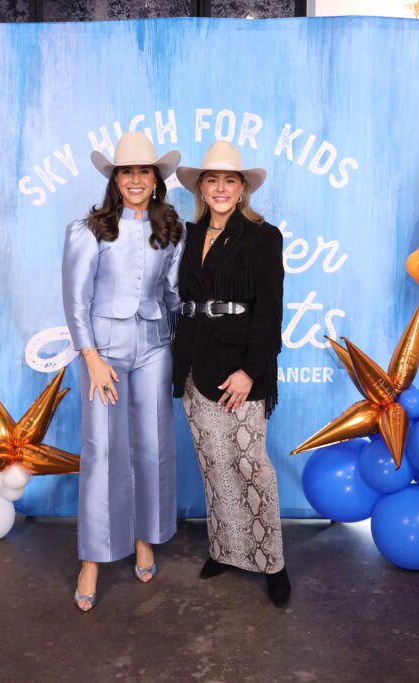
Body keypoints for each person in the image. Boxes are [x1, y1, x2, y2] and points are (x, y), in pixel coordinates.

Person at [61, 132, 185, 612]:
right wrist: (90, 358)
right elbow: (76, 300)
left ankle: (144, 537)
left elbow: (173, 295)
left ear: (156, 179)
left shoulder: (172, 229)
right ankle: (92, 558)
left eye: (144, 171)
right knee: (103, 450)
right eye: (126, 171)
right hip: (104, 354)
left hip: (155, 348)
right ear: (115, 179)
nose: (135, 179)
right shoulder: (87, 229)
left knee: (153, 446)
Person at [172, 140, 291, 608]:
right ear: (201, 188)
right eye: (212, 180)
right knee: (215, 465)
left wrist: (250, 371)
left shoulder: (263, 237)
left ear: (242, 188)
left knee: (250, 465)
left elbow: (270, 311)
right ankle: (226, 550)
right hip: (193, 363)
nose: (220, 188)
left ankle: (273, 563)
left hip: (239, 367)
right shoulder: (188, 235)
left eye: (229, 180)